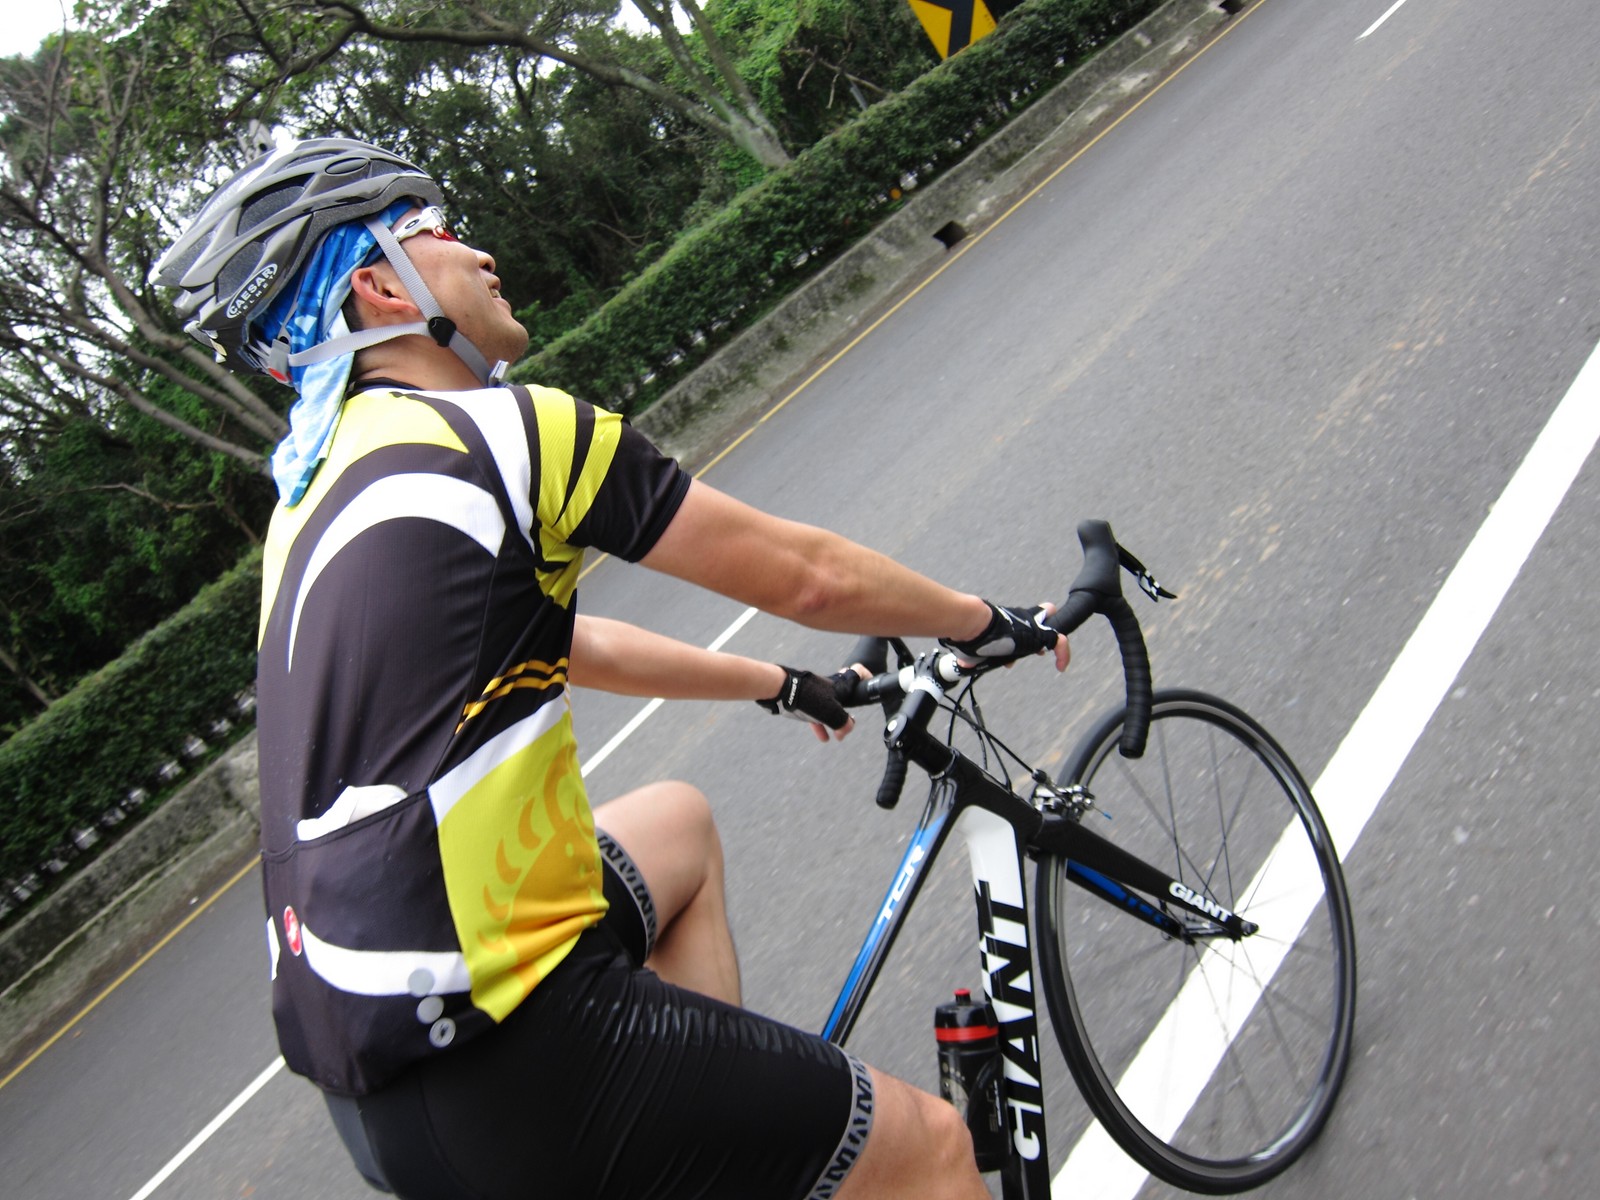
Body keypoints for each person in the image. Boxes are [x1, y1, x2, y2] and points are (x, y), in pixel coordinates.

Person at [154, 138, 1068, 1200]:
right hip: (513, 1048)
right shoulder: (510, 434)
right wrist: (982, 621)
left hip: (383, 1078)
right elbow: (808, 576)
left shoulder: (314, 498)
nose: (480, 252)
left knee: (676, 824)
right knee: (932, 1151)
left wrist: (777, 683)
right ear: (380, 288)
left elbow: (568, 645)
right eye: (437, 232)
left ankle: (724, 1151)